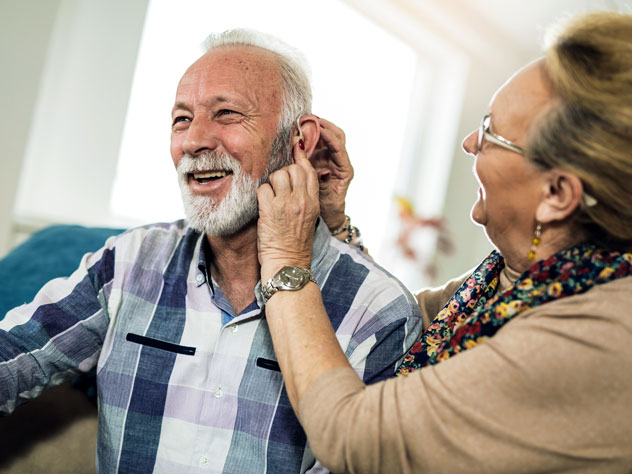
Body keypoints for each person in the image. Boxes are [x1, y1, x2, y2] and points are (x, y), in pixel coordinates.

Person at [0, 30, 422, 473]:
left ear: (300, 142)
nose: (195, 140)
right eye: (181, 119)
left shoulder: (379, 311)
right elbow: (15, 355)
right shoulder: (129, 262)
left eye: (227, 114)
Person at [256, 11, 632, 473]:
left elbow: (355, 435)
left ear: (556, 195)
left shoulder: (594, 339)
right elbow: (397, 322)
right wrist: (336, 227)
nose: (471, 143)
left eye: (493, 133)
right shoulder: (513, 285)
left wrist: (285, 262)